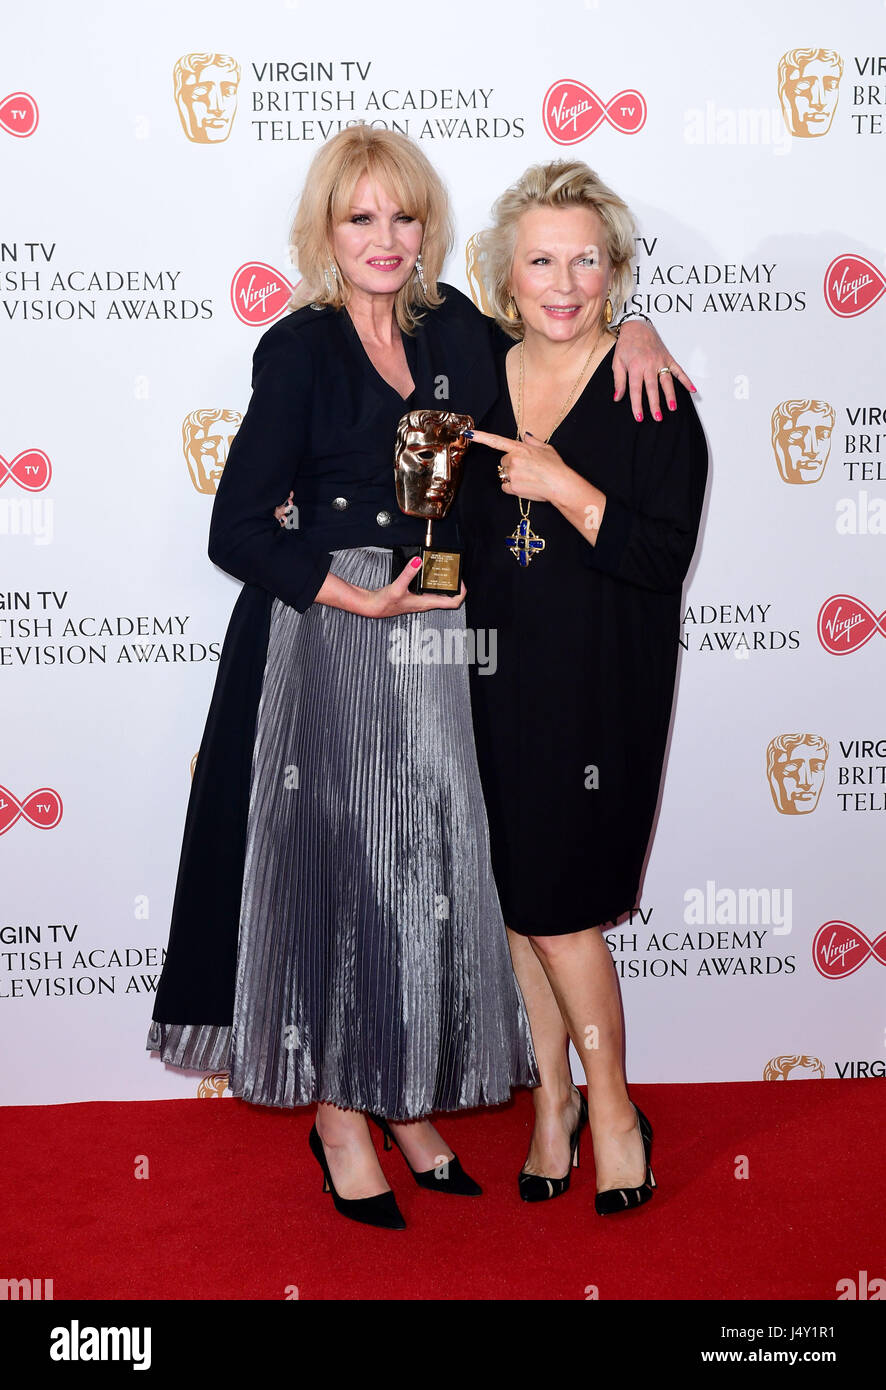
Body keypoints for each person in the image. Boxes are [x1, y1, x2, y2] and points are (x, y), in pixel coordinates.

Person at [148, 127, 686, 1231]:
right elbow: (237, 529)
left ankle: (403, 1103)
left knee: (420, 876)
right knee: (346, 876)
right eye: (359, 219)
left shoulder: (453, 326)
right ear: (325, 232)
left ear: (427, 227)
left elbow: (563, 312)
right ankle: (343, 1117)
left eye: (401, 217)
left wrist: (638, 323)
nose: (384, 239)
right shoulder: (296, 348)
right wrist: (357, 594)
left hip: (443, 639)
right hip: (337, 640)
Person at [459, 160, 708, 1213]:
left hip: (599, 684)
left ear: (614, 273)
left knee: (561, 912)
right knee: (520, 908)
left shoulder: (644, 389)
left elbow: (660, 556)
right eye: (541, 261)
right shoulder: (475, 371)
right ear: (504, 275)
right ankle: (549, 1100)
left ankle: (609, 1104)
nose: (564, 284)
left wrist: (562, 484)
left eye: (587, 262)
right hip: (488, 674)